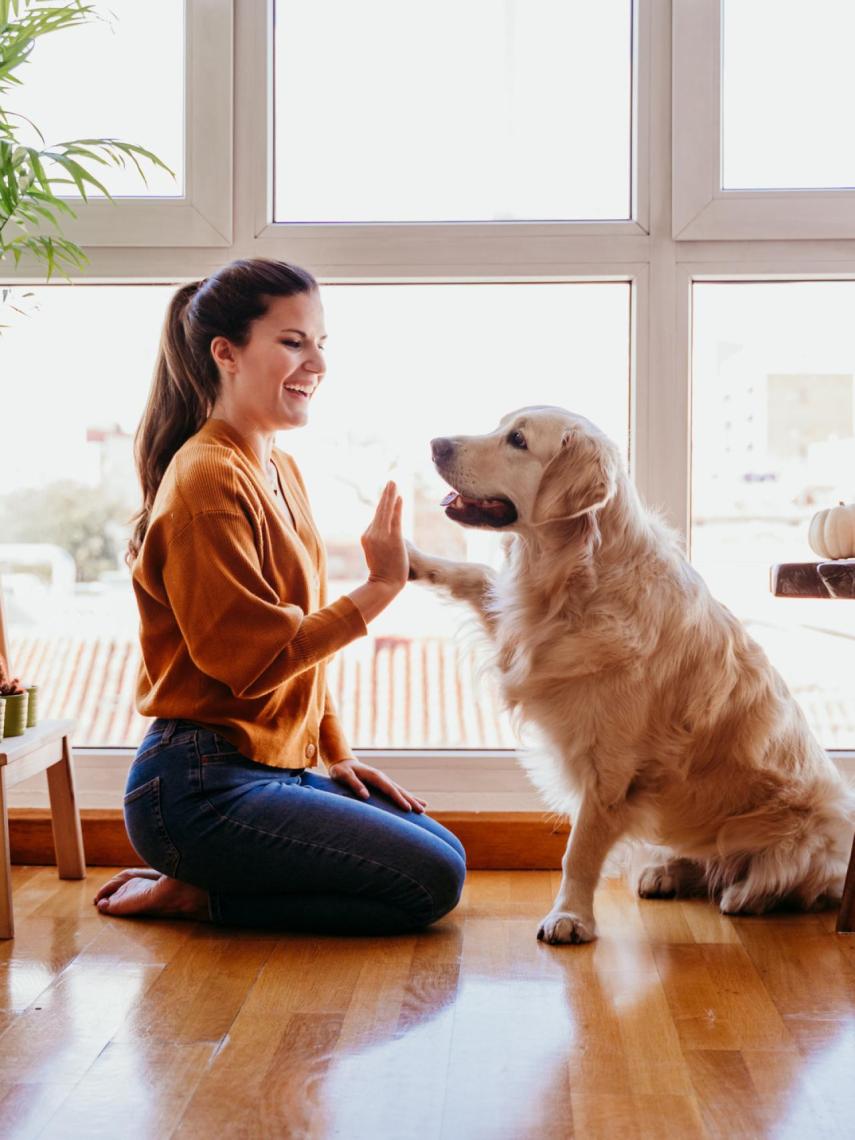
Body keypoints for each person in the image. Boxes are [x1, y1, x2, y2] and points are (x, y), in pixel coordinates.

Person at [93, 258, 466, 935]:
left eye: (321, 343)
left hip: (271, 766)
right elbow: (254, 662)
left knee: (445, 852)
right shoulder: (206, 480)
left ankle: (204, 882)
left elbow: (298, 650)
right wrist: (381, 586)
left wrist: (336, 752)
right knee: (430, 883)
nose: (316, 362)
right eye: (293, 342)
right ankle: (196, 895)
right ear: (226, 354)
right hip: (196, 786)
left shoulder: (276, 466)